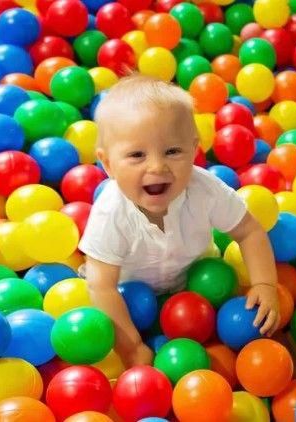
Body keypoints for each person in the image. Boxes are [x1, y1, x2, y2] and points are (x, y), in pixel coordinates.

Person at [79, 73, 279, 368]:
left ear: (194, 150)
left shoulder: (204, 189)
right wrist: (132, 346)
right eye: (137, 155)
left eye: (173, 151)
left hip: (199, 284)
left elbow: (249, 231)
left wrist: (265, 284)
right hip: (129, 294)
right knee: (96, 291)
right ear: (108, 163)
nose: (157, 166)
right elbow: (102, 287)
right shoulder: (111, 211)